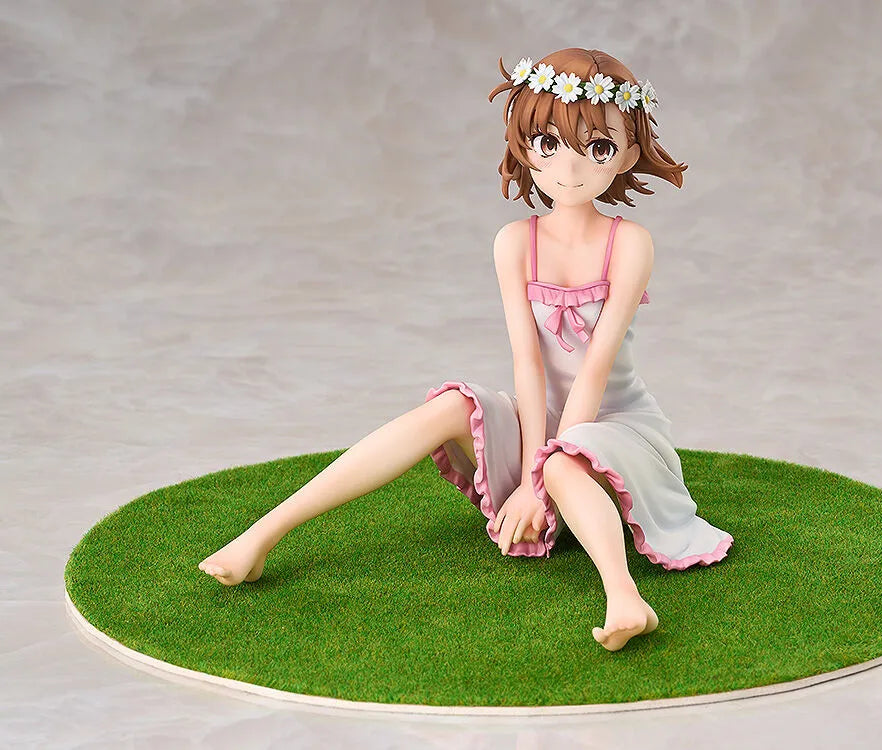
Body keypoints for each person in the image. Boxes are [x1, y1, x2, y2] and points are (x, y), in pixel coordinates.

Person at [199, 47, 734, 652]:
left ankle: (625, 597)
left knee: (564, 462)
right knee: (450, 406)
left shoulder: (630, 244)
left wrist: (539, 479)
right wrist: (530, 475)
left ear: (629, 154)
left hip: (617, 428)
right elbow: (527, 364)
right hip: (539, 425)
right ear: (524, 147)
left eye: (598, 148)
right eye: (548, 144)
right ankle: (263, 535)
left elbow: (594, 371)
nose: (569, 168)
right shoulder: (515, 242)